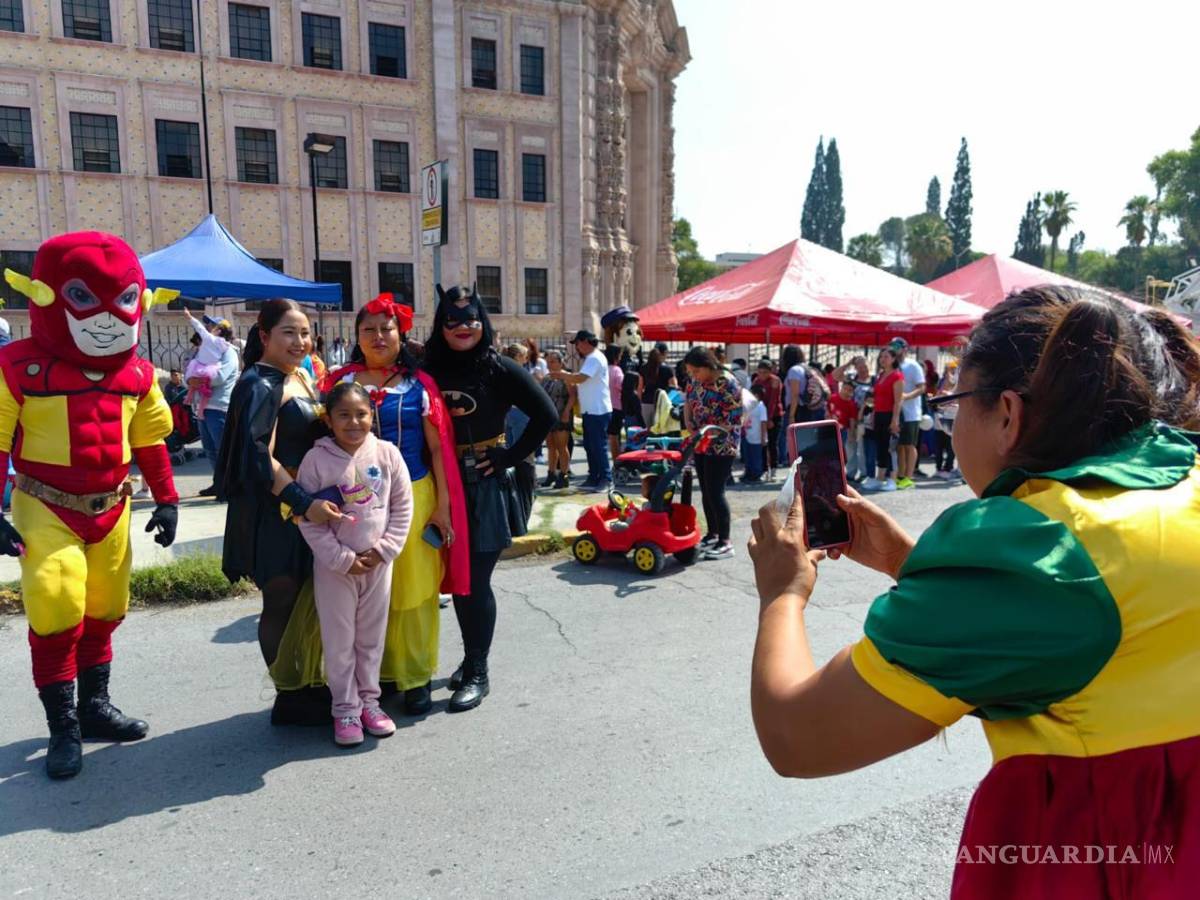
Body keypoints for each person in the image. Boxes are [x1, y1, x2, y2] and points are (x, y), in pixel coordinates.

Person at [748, 285, 1200, 899]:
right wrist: (912, 565)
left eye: (955, 401)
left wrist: (783, 589)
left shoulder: (1033, 551)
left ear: (1007, 416)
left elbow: (797, 736)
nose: (949, 420)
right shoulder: (1181, 479)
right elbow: (1118, 630)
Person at [0, 232, 180, 778]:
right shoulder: (18, 368)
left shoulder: (140, 375)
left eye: (125, 299)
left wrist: (168, 500)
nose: (107, 316)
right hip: (45, 504)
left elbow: (150, 441)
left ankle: (94, 708)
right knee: (57, 608)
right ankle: (64, 728)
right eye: (82, 297)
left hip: (113, 506)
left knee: (104, 609)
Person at [321, 293, 468, 717]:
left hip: (416, 495)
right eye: (369, 329)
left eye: (387, 328)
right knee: (364, 591)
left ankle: (417, 676)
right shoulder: (338, 383)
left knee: (415, 591)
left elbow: (438, 449)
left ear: (401, 334)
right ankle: (376, 678)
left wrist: (442, 506)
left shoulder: (420, 385)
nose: (379, 336)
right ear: (357, 336)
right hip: (356, 502)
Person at [423, 285, 555, 711]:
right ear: (440, 326)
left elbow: (546, 415)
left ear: (484, 322)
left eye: (471, 319)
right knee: (437, 581)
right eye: (453, 321)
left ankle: (477, 668)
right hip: (435, 485)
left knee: (472, 582)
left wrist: (507, 457)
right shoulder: (426, 367)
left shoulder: (498, 367)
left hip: (482, 485)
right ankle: (445, 662)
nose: (463, 328)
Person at [215, 299, 344, 726]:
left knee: (309, 599)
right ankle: (288, 696)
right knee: (281, 600)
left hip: (305, 509)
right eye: (289, 332)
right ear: (265, 336)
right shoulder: (258, 383)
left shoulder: (301, 377)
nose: (300, 341)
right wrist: (303, 502)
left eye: (305, 333)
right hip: (277, 514)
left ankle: (307, 683)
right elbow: (259, 455)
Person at [295, 382, 413, 746]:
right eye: (343, 415)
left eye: (361, 414)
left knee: (370, 638)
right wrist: (343, 559)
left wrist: (384, 550)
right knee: (339, 640)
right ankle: (345, 709)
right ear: (328, 420)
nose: (353, 422)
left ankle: (369, 704)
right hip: (336, 571)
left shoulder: (388, 454)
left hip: (379, 566)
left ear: (372, 416)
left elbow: (402, 507)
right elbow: (307, 520)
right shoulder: (315, 461)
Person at [682, 347, 743, 559]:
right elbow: (688, 401)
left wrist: (709, 430)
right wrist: (688, 421)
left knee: (716, 491)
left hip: (722, 445)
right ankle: (712, 533)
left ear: (707, 367)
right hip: (700, 442)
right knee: (706, 490)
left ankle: (725, 541)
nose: (693, 376)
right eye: (690, 372)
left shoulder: (729, 383)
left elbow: (733, 420)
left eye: (696, 371)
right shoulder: (695, 381)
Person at [184, 310, 239, 499]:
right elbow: (189, 371)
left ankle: (229, 486)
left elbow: (220, 377)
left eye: (211, 326)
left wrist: (195, 378)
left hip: (219, 408)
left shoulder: (229, 352)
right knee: (209, 450)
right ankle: (219, 483)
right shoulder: (204, 350)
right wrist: (190, 380)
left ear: (222, 331)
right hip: (203, 408)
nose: (207, 329)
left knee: (222, 449)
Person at [548, 330, 610, 492]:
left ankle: (605, 479)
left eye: (577, 344)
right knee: (590, 445)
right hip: (591, 410)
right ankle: (594, 476)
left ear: (585, 342)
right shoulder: (591, 358)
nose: (576, 348)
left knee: (598, 446)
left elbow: (580, 378)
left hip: (598, 410)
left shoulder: (594, 358)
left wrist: (562, 375)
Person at [502, 343, 537, 525]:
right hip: (520, 414)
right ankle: (526, 495)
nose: (526, 359)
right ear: (519, 357)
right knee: (525, 454)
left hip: (509, 414)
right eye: (524, 356)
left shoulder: (504, 371)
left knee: (512, 452)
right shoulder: (519, 373)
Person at [861, 349, 902, 492]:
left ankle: (892, 479)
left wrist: (895, 420)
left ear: (893, 359)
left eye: (886, 356)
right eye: (881, 356)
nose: (883, 359)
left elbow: (898, 401)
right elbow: (876, 398)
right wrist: (873, 415)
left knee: (891, 448)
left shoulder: (897, 376)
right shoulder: (881, 375)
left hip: (890, 415)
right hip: (879, 415)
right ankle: (880, 479)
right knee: (881, 448)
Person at [888, 338, 925, 489]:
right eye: (892, 345)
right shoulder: (892, 366)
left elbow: (922, 387)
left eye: (897, 346)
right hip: (897, 412)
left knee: (910, 445)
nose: (894, 348)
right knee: (900, 446)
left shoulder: (913, 365)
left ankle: (909, 477)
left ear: (905, 349)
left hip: (911, 413)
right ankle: (901, 475)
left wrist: (906, 396)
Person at [541, 350, 575, 489]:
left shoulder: (566, 377)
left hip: (562, 414)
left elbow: (573, 396)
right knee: (550, 446)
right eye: (548, 361)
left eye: (553, 361)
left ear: (561, 362)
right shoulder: (547, 377)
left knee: (562, 446)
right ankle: (551, 473)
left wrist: (567, 411)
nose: (549, 364)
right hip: (549, 415)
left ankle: (564, 474)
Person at [753, 359, 783, 480]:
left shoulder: (775, 381)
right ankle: (764, 469)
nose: (762, 375)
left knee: (772, 442)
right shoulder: (756, 380)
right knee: (763, 443)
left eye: (765, 372)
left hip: (774, 415)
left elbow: (773, 401)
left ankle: (774, 468)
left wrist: (769, 418)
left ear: (770, 372)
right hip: (761, 415)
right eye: (759, 372)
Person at [827, 379, 860, 481]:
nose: (846, 391)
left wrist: (852, 434)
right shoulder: (832, 398)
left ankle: (850, 473)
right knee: (831, 452)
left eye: (849, 390)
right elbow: (826, 410)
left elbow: (852, 420)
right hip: (829, 428)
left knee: (849, 451)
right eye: (845, 388)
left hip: (843, 430)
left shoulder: (851, 404)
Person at [741, 383, 768, 483]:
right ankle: (748, 473)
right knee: (748, 457)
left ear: (756, 395)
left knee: (756, 457)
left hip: (757, 438)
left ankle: (756, 474)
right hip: (747, 435)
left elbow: (763, 422)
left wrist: (763, 438)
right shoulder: (749, 406)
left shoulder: (761, 407)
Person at [640, 346, 672, 428]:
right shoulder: (667, 369)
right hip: (662, 402)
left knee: (646, 429)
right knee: (660, 429)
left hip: (646, 402)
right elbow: (673, 386)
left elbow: (639, 388)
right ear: (660, 356)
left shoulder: (643, 369)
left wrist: (640, 401)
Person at [604, 345, 625, 464]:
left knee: (609, 436)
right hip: (616, 405)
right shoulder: (616, 370)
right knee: (614, 436)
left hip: (604, 406)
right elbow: (621, 386)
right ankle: (617, 461)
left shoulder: (603, 369)